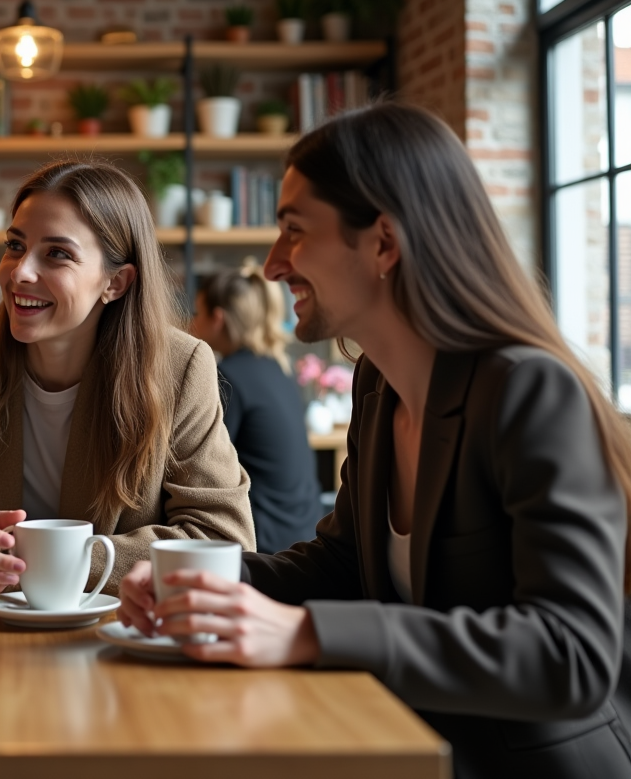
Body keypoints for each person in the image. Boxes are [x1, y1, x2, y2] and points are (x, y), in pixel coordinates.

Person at [118, 102, 631, 778]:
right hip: (401, 741)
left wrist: (308, 634)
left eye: (294, 233)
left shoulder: (529, 391)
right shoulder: (378, 387)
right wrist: (190, 578)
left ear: (383, 243)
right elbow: (344, 566)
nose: (272, 266)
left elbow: (572, 654)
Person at [0, 159, 255, 599]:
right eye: (15, 245)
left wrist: (58, 561)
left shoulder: (179, 369)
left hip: (119, 633)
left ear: (117, 282)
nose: (20, 272)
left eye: (57, 253)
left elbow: (224, 540)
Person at [191, 260, 324, 553]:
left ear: (218, 318)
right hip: (305, 533)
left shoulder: (229, 377)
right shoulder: (280, 368)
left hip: (265, 543)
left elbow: (203, 463)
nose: (192, 323)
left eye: (197, 313)